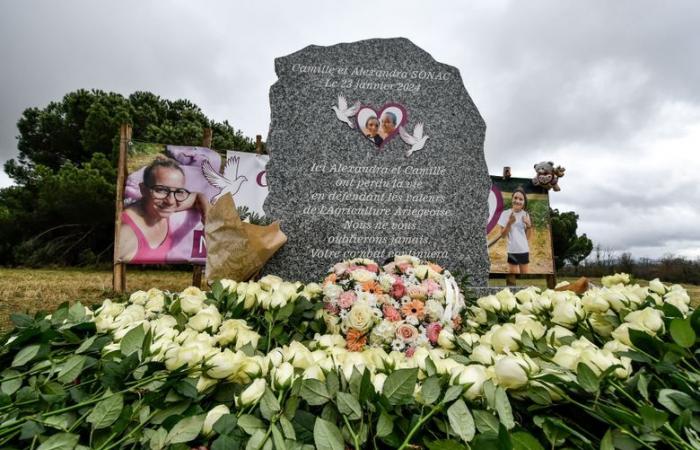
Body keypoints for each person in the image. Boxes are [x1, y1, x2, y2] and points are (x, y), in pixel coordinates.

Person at [118, 158, 208, 263]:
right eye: (161, 190)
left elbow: (198, 196)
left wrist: (208, 220)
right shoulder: (126, 232)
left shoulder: (163, 206)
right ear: (143, 190)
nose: (170, 201)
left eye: (178, 191)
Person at [495, 187, 533, 274]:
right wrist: (509, 223)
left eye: (521, 199)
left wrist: (529, 226)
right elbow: (503, 235)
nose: (517, 201)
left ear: (524, 202)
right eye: (515, 198)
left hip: (524, 250)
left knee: (525, 279)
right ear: (512, 199)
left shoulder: (526, 214)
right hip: (512, 250)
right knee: (513, 279)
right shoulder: (505, 214)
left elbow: (527, 238)